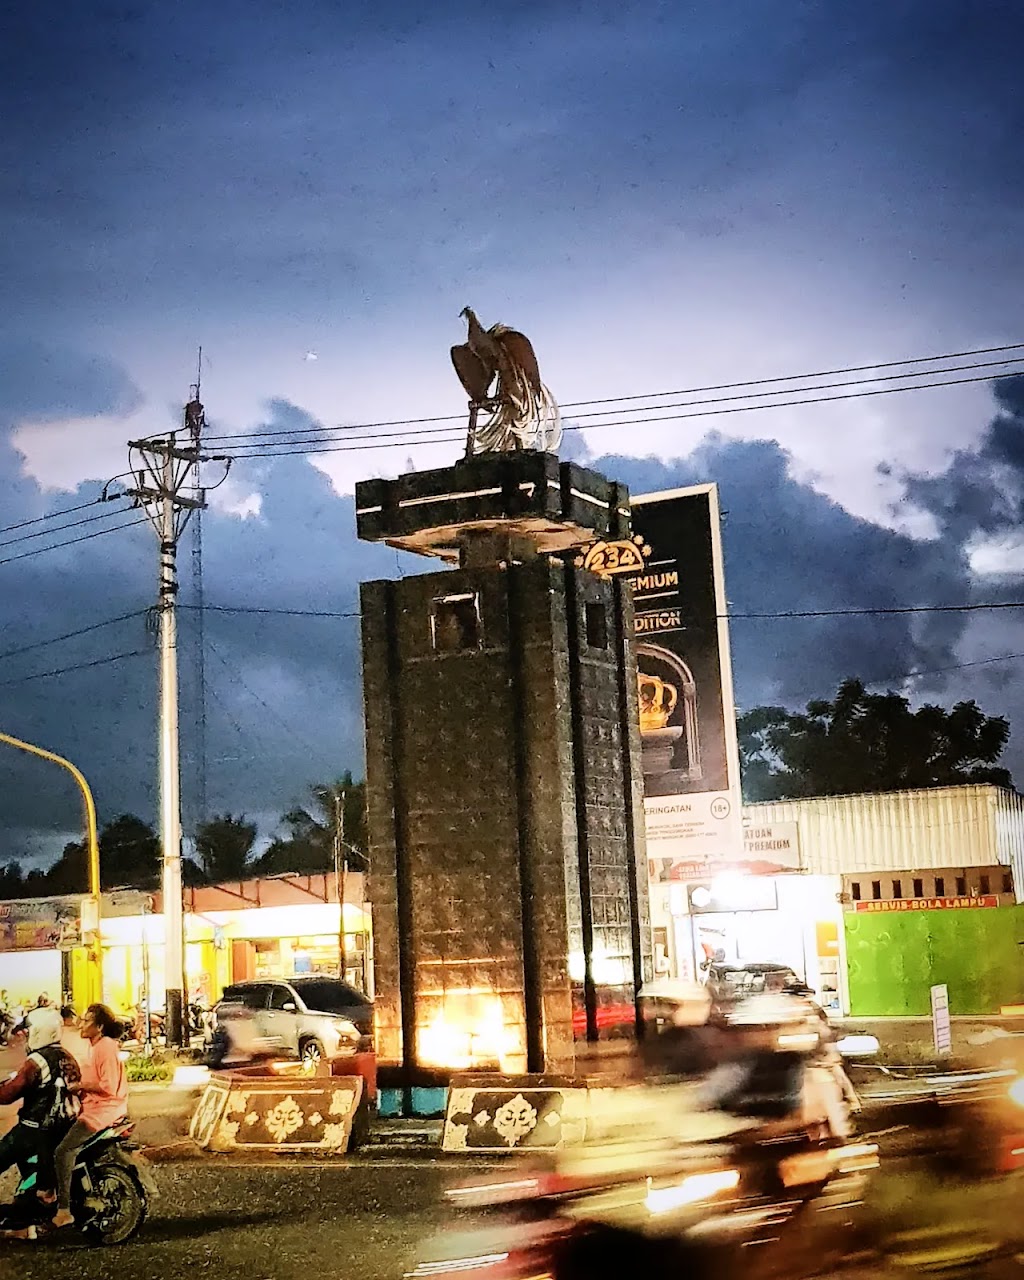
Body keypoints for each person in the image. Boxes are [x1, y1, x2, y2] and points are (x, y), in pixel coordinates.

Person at [51, 1004, 127, 1230]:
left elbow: (108, 1085)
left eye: (86, 1021)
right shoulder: (96, 1046)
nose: (81, 1024)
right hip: (95, 1106)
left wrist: (80, 1086)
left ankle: (64, 1209)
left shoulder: (105, 1047)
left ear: (100, 1027)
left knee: (63, 1150)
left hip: (104, 1110)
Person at [0, 1006, 80, 1188]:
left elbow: (9, 1093)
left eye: (29, 1033)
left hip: (36, 1126)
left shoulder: (37, 1061)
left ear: (39, 1032)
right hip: (65, 1123)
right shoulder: (66, 1056)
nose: (25, 1038)